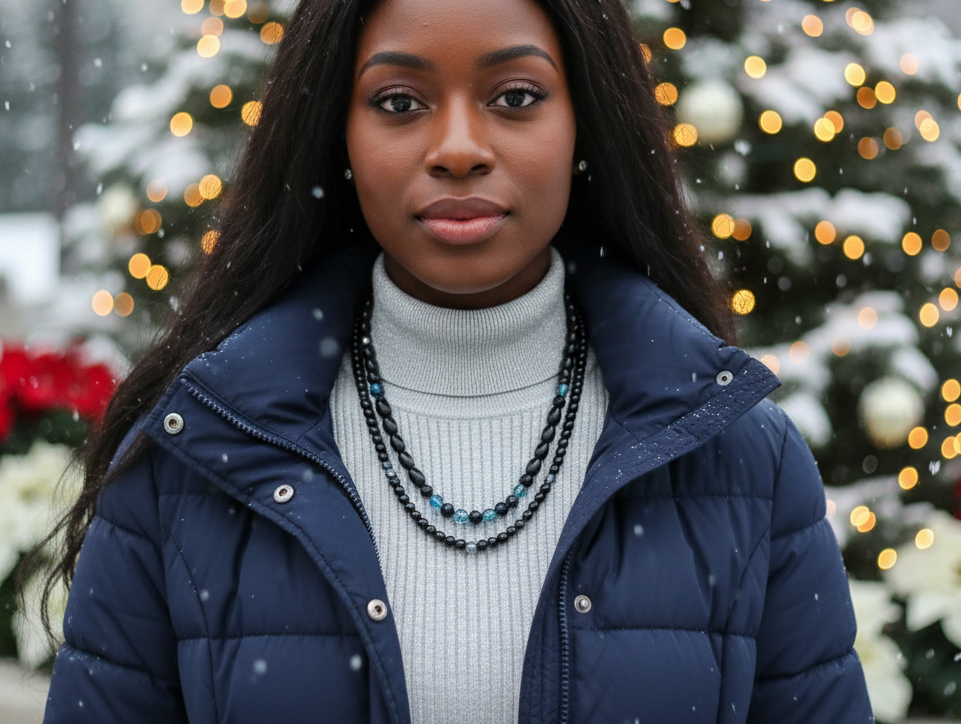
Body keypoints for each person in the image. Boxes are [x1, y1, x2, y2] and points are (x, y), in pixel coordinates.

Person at [39, 0, 873, 722]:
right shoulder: (189, 457)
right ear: (337, 133)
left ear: (585, 120)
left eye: (515, 96)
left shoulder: (740, 456)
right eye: (399, 101)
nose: (459, 147)